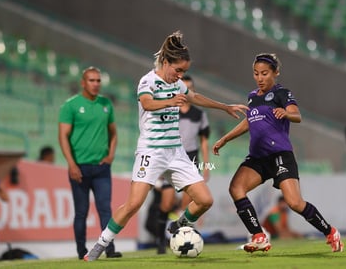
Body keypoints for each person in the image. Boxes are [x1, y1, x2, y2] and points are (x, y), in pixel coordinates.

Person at [84, 31, 247, 261]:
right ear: (165, 62)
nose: (179, 75)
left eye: (184, 72)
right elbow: (147, 103)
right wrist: (170, 101)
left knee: (205, 200)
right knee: (133, 204)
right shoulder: (147, 81)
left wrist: (224, 106)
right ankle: (100, 246)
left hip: (176, 152)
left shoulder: (178, 84)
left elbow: (195, 97)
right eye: (177, 70)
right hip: (151, 152)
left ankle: (178, 225)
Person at [213, 53, 344, 253]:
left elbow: (297, 115)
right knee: (236, 188)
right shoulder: (252, 97)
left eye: (264, 73)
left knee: (294, 202)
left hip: (280, 154)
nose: (259, 78)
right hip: (257, 158)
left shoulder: (282, 93)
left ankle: (330, 231)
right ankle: (259, 236)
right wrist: (224, 139)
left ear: (275, 73)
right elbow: (248, 121)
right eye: (256, 73)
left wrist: (287, 113)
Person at [58, 66, 122, 260]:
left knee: (105, 209)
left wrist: (110, 155)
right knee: (81, 212)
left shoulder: (106, 104)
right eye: (91, 80)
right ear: (83, 83)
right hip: (80, 168)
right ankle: (81, 252)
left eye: (98, 80)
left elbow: (113, 133)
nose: (95, 84)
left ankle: (109, 250)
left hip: (102, 167)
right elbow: (63, 136)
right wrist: (71, 164)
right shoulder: (71, 106)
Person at [145, 74, 211, 254]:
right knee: (166, 204)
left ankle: (182, 237)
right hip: (169, 156)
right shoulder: (170, 108)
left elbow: (204, 141)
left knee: (187, 203)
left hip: (191, 158)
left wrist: (206, 166)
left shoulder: (199, 114)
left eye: (188, 88)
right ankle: (160, 240)